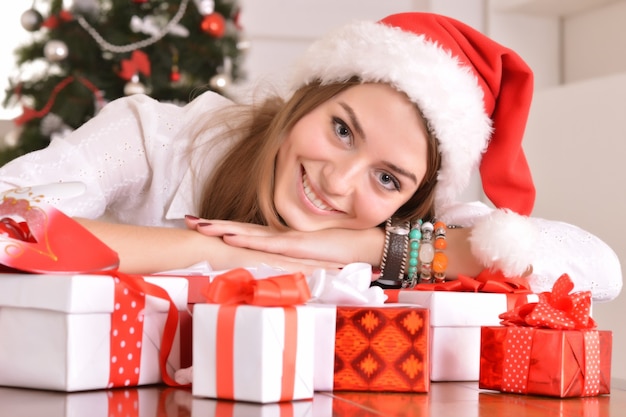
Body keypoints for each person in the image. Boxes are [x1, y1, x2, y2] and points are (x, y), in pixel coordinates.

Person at [0, 12, 621, 301]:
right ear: (306, 98)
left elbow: (599, 267)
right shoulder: (159, 137)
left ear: (414, 196)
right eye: (342, 130)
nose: (338, 181)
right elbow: (9, 225)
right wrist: (218, 251)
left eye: (387, 177)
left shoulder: (402, 225)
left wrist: (369, 248)